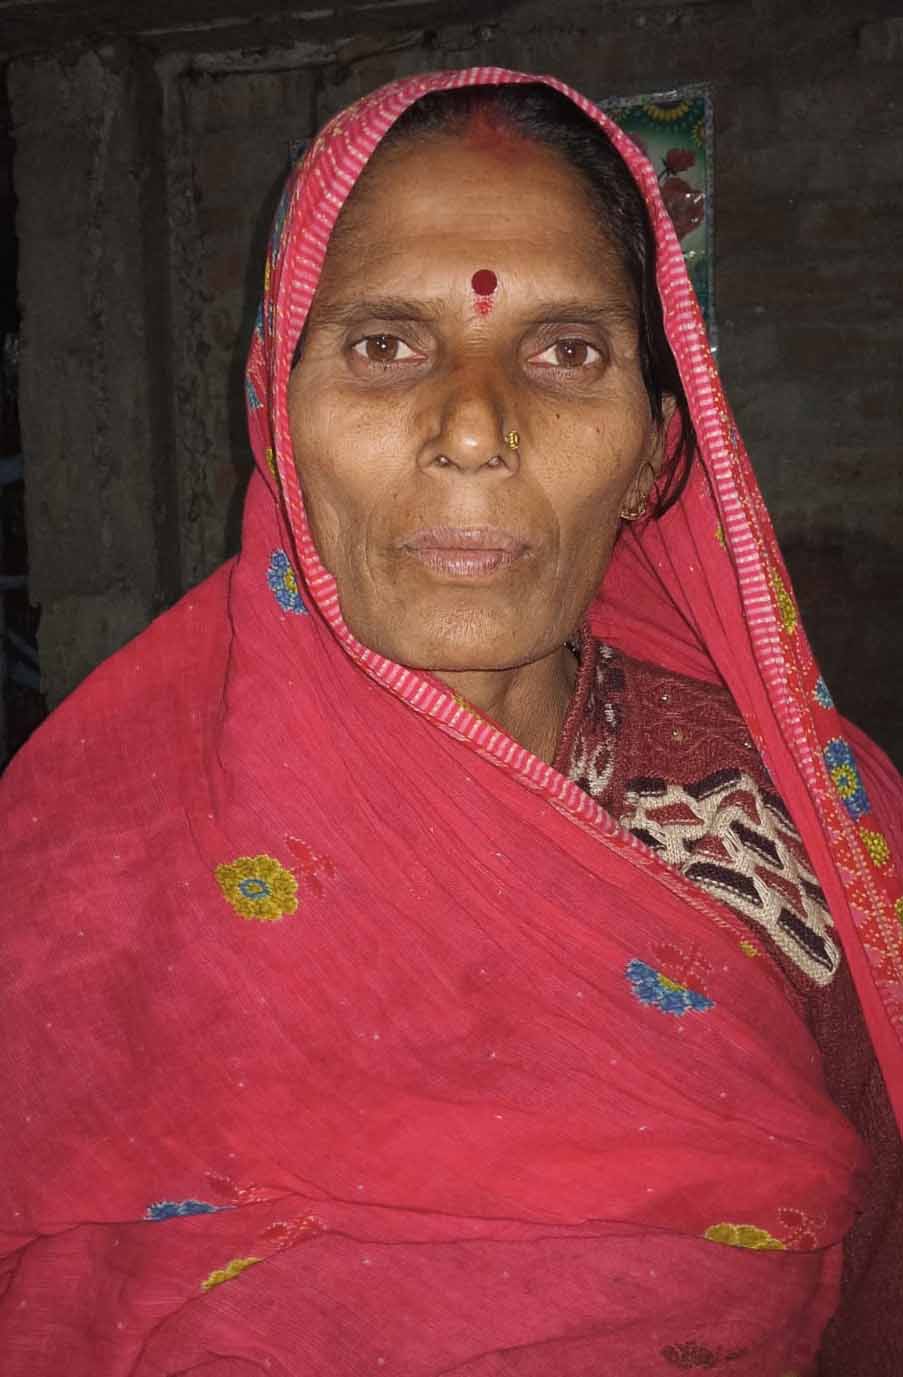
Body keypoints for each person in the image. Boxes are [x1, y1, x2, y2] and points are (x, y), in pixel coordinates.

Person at [1, 69, 901, 1376]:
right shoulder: (77, 857)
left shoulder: (797, 847)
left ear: (655, 452)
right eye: (385, 345)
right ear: (275, 412)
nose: (474, 429)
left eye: (565, 351)